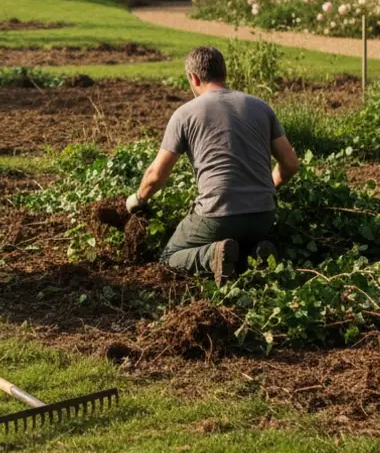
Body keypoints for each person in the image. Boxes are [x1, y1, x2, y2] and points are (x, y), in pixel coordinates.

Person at [126, 45, 301, 284]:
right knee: (242, 241)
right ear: (223, 73)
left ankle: (211, 256)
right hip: (263, 215)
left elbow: (156, 174)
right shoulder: (260, 107)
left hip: (218, 215)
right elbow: (290, 164)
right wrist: (265, 187)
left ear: (194, 77)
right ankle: (256, 251)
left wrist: (138, 200)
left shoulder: (185, 114)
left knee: (169, 257)